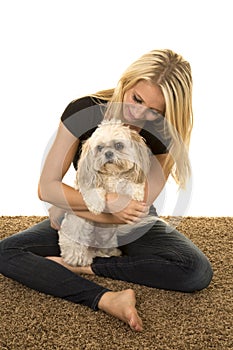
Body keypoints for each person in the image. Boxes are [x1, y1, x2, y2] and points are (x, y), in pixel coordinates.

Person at [0, 49, 213, 332]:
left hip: (131, 225)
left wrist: (67, 205)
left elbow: (133, 210)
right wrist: (100, 202)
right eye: (137, 99)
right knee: (7, 252)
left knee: (195, 270)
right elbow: (46, 186)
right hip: (82, 216)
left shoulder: (163, 135)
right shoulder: (83, 111)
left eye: (153, 110)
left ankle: (84, 267)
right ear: (126, 82)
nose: (139, 113)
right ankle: (106, 298)